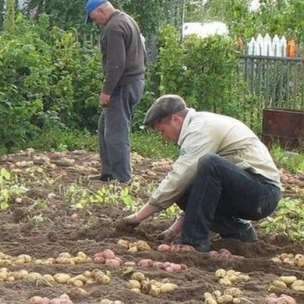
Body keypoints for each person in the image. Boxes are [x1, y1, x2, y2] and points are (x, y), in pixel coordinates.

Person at [119, 94, 282, 252]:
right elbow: (197, 189)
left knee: (209, 164)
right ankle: (240, 232)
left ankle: (195, 241)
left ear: (176, 119)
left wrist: (138, 217)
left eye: (162, 131)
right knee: (187, 186)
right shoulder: (198, 126)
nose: (163, 137)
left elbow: (180, 176)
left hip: (263, 194)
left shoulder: (200, 128)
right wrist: (174, 229)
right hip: (247, 190)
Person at [84, 0, 146, 183]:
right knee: (105, 127)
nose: (95, 23)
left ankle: (122, 178)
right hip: (134, 81)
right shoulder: (128, 20)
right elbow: (143, 53)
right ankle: (109, 173)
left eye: (94, 18)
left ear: (102, 10)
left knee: (116, 132)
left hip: (122, 85)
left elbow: (116, 64)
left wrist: (107, 90)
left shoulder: (113, 27)